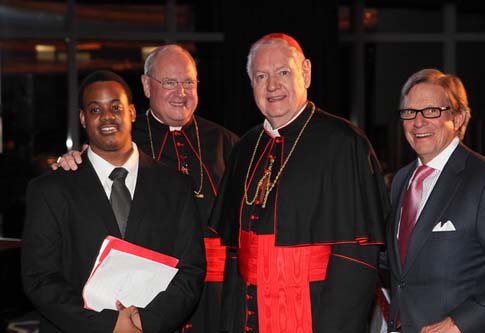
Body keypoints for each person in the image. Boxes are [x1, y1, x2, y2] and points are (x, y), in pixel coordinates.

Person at [209, 33, 389, 332]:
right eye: (261, 76)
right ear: (251, 83)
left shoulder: (343, 143)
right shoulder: (245, 146)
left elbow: (357, 259)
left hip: (315, 314)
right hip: (248, 317)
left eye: (283, 72)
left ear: (305, 72)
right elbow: (236, 256)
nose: (272, 86)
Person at [53, 45, 238, 332]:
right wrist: (72, 161)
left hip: (219, 291)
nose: (182, 92)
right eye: (170, 83)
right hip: (146, 294)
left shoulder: (227, 142)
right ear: (146, 86)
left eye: (189, 82)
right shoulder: (123, 137)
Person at [22, 70, 206, 333]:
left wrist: (145, 322)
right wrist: (109, 326)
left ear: (131, 113)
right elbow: (40, 278)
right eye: (95, 109)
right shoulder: (50, 189)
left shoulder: (175, 185)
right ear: (83, 119)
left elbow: (191, 270)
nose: (107, 116)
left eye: (115, 107)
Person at [386, 68, 485, 333]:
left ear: (458, 118)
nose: (418, 122)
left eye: (431, 111)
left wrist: (460, 323)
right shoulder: (401, 181)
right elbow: (405, 265)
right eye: (410, 112)